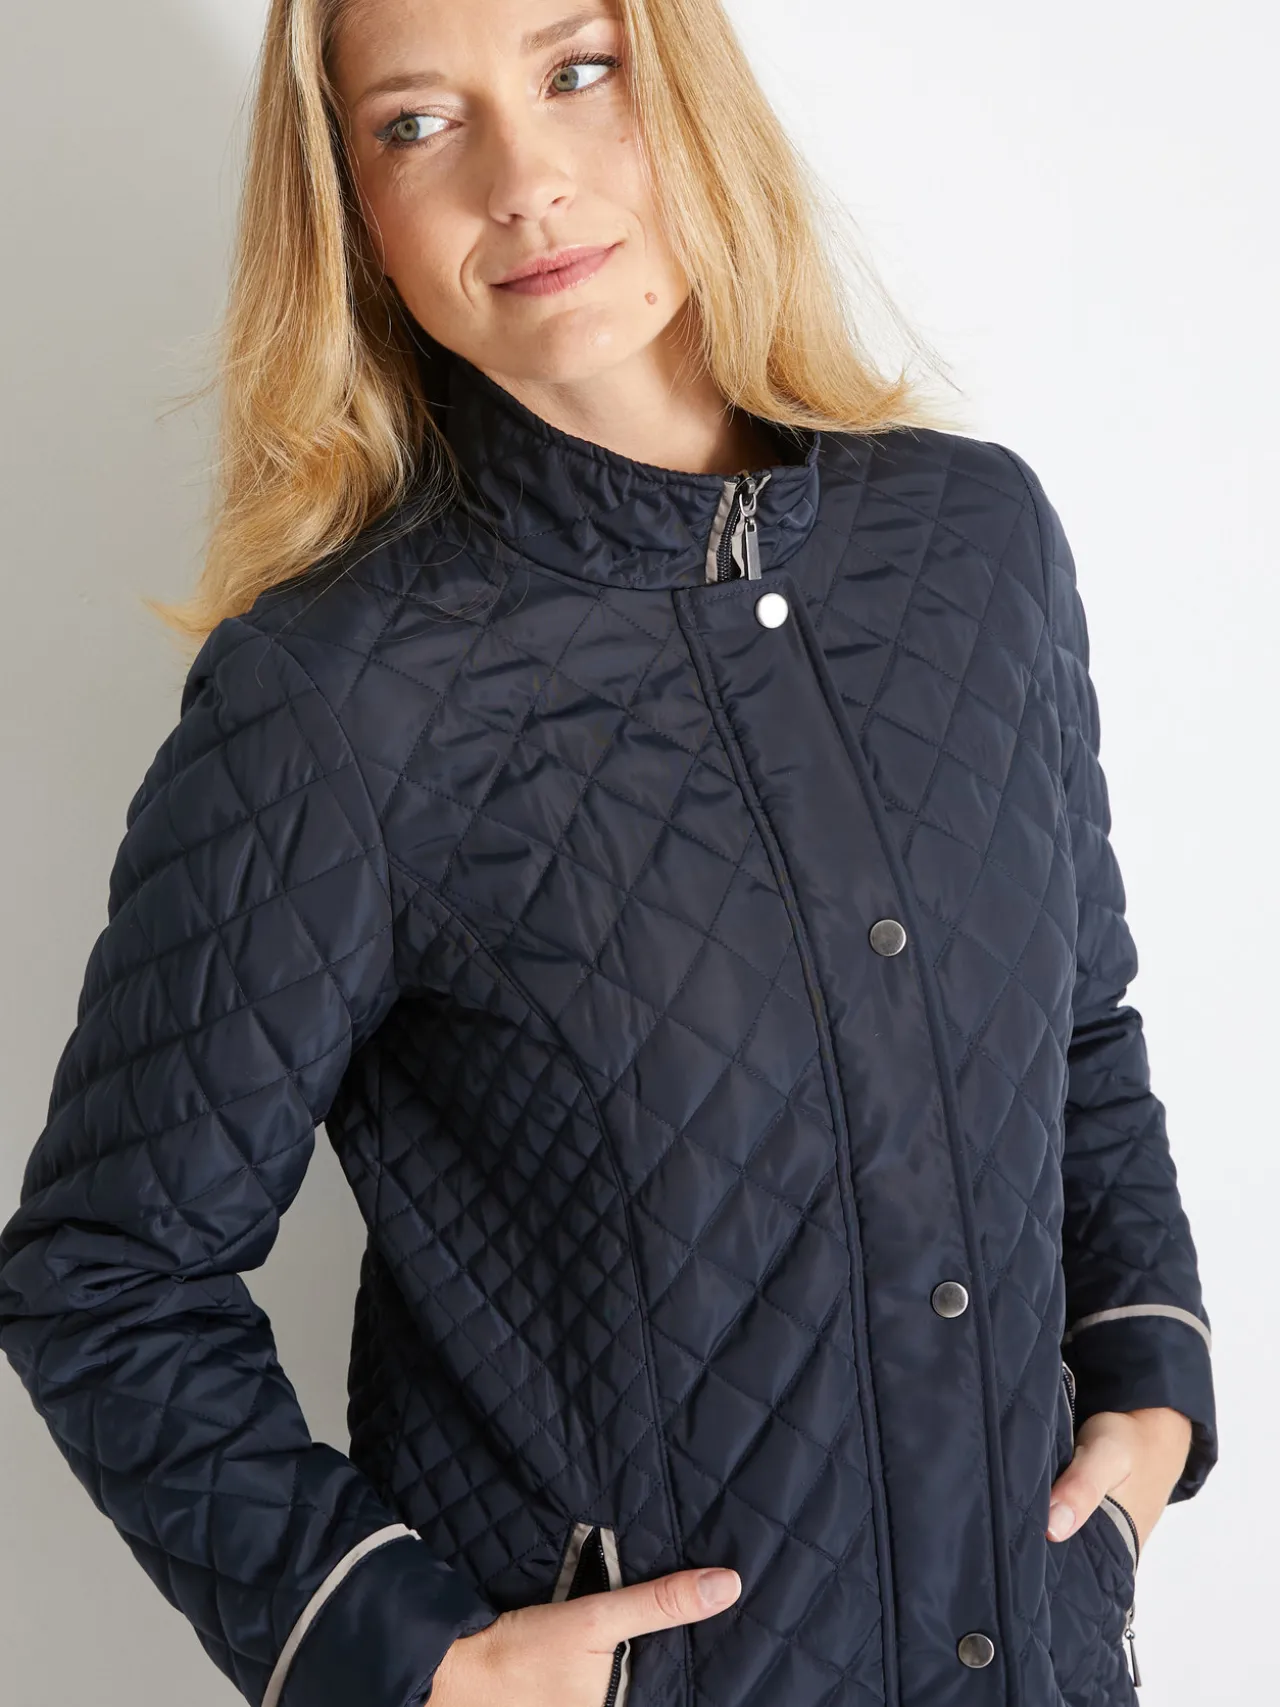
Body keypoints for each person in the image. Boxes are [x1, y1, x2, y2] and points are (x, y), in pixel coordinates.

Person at [0, 2, 1216, 1706]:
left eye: (579, 73)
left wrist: (1151, 1392)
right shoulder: (336, 702)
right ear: (352, 206)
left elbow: (1080, 1031)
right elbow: (107, 1273)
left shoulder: (977, 548)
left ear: (687, 86)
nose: (525, 180)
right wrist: (420, 1660)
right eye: (419, 124)